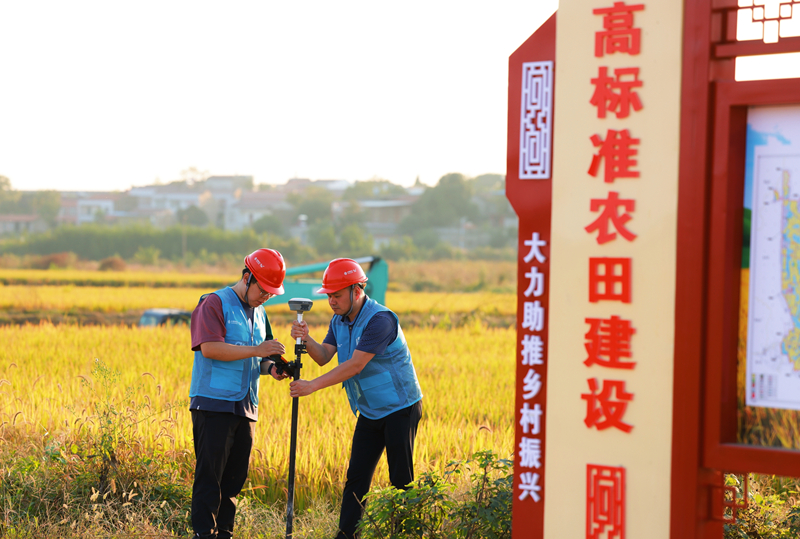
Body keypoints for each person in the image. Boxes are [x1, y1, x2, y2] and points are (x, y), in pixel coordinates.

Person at [289, 258, 423, 539]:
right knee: (356, 479)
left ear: (357, 291)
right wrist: (306, 339)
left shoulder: (380, 320)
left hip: (400, 408)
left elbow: (355, 365)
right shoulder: (339, 320)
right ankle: (346, 535)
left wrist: (312, 386)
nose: (332, 302)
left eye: (336, 295)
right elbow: (325, 356)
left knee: (401, 480)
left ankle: (407, 534)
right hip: (370, 411)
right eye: (329, 296)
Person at [189, 248, 289, 539]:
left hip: (245, 408)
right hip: (213, 405)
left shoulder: (260, 312)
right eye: (263, 290)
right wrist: (259, 351)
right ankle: (203, 535)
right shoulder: (214, 303)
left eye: (271, 293)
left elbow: (261, 357)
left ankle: (224, 534)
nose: (266, 297)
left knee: (233, 482)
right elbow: (209, 347)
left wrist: (272, 368)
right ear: (247, 277)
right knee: (210, 480)